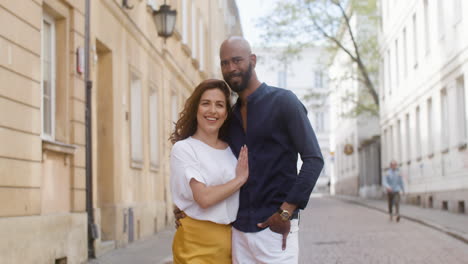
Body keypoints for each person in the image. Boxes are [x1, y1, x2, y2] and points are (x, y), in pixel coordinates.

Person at [175, 36, 324, 263]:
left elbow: (314, 159)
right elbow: (209, 160)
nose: (231, 68)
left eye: (237, 60)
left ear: (252, 60)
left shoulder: (284, 102)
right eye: (225, 63)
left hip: (275, 229)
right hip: (238, 233)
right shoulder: (229, 117)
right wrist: (185, 206)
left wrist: (286, 211)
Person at [169, 79, 249, 263]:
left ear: (226, 113)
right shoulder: (185, 148)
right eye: (206, 103)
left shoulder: (234, 150)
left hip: (232, 242)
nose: (212, 110)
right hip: (196, 244)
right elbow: (204, 198)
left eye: (219, 105)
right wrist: (239, 179)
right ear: (196, 108)